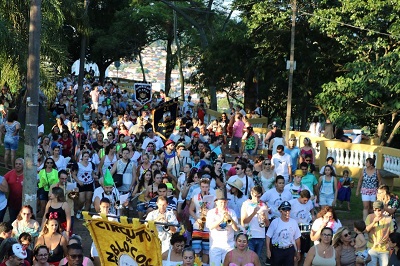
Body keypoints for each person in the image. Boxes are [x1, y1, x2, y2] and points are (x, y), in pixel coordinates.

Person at [206, 188, 239, 265]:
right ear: (216, 202)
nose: (223, 204)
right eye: (221, 202)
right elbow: (210, 227)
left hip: (229, 245)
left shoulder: (231, 212)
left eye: (225, 202)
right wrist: (221, 219)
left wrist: (230, 218)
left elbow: (236, 229)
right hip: (215, 245)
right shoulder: (211, 212)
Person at [266, 201, 301, 266]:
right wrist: (268, 250)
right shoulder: (275, 222)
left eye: (288, 210)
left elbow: (297, 238)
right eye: (285, 210)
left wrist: (298, 251)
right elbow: (268, 236)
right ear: (280, 211)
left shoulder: (293, 222)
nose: (287, 212)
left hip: (289, 250)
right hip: (277, 250)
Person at [188, 178, 214, 265]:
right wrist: (196, 218)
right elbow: (191, 210)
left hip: (208, 225)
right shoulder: (195, 197)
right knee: (196, 248)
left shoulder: (213, 198)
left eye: (206, 187)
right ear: (200, 187)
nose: (205, 189)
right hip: (198, 225)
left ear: (209, 187)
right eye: (203, 187)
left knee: (206, 250)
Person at [240, 186, 269, 255]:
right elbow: (243, 222)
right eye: (255, 196)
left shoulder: (264, 205)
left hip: (260, 236)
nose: (256, 198)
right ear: (251, 193)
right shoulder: (245, 204)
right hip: (249, 236)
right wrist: (254, 213)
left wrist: (264, 217)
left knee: (257, 259)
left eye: (259, 196)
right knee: (249, 258)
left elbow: (267, 224)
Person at [365, 200, 394, 266]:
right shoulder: (370, 217)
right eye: (375, 210)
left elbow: (392, 233)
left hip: (384, 248)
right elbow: (366, 230)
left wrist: (389, 245)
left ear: (383, 209)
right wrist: (373, 222)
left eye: (379, 210)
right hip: (372, 247)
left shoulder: (389, 219)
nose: (377, 212)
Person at [289, 190, 314, 265]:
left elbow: (312, 209)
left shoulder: (309, 202)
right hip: (295, 227)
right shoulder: (292, 203)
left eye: (307, 200)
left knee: (304, 249)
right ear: (300, 197)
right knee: (295, 249)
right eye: (304, 200)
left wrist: (312, 215)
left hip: (305, 228)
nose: (306, 202)